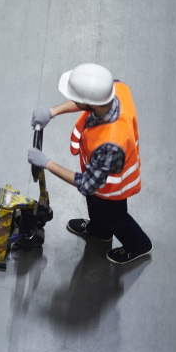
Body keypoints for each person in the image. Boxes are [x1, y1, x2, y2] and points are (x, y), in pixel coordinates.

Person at [27, 63, 152, 265]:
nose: (74, 101)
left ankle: (138, 245)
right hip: (98, 175)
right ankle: (100, 231)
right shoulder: (117, 88)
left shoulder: (111, 142)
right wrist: (52, 112)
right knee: (95, 207)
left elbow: (87, 184)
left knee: (115, 219)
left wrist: (47, 163)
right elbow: (87, 101)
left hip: (111, 189)